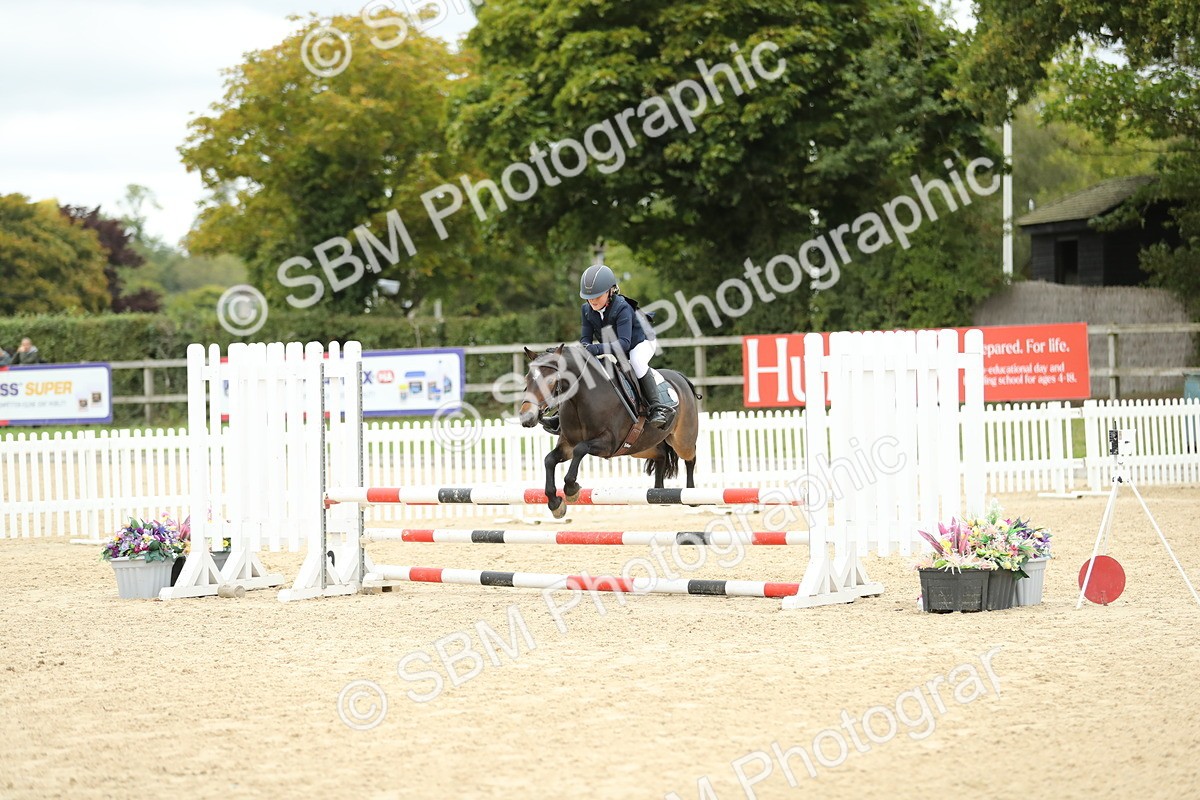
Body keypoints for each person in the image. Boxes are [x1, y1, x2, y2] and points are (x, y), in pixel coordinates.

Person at [542, 264, 673, 432]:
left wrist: (595, 349)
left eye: (598, 295)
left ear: (611, 291)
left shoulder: (622, 308)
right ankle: (562, 416)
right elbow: (585, 340)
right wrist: (579, 351)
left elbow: (625, 343)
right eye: (589, 297)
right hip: (614, 346)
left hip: (640, 342)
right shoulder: (587, 310)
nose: (593, 300)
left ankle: (657, 408)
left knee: (636, 361)